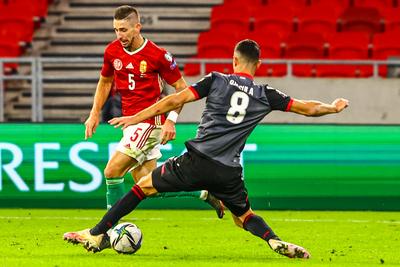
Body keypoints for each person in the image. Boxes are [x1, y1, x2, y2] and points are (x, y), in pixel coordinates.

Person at [64, 39, 349, 258]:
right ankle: (272, 239)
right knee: (245, 217)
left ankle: (96, 232)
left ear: (234, 59)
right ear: (258, 64)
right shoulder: (267, 94)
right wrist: (333, 109)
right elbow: (309, 109)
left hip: (196, 160)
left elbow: (173, 101)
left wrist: (135, 117)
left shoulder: (217, 80)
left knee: (142, 188)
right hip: (228, 172)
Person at [84, 5, 223, 216]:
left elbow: (181, 88)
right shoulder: (112, 51)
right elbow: (105, 81)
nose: (119, 35)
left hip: (151, 122)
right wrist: (94, 113)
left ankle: (109, 230)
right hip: (130, 123)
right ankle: (204, 193)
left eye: (124, 30)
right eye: (116, 30)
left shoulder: (158, 55)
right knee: (146, 185)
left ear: (137, 27)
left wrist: (171, 120)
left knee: (112, 171)